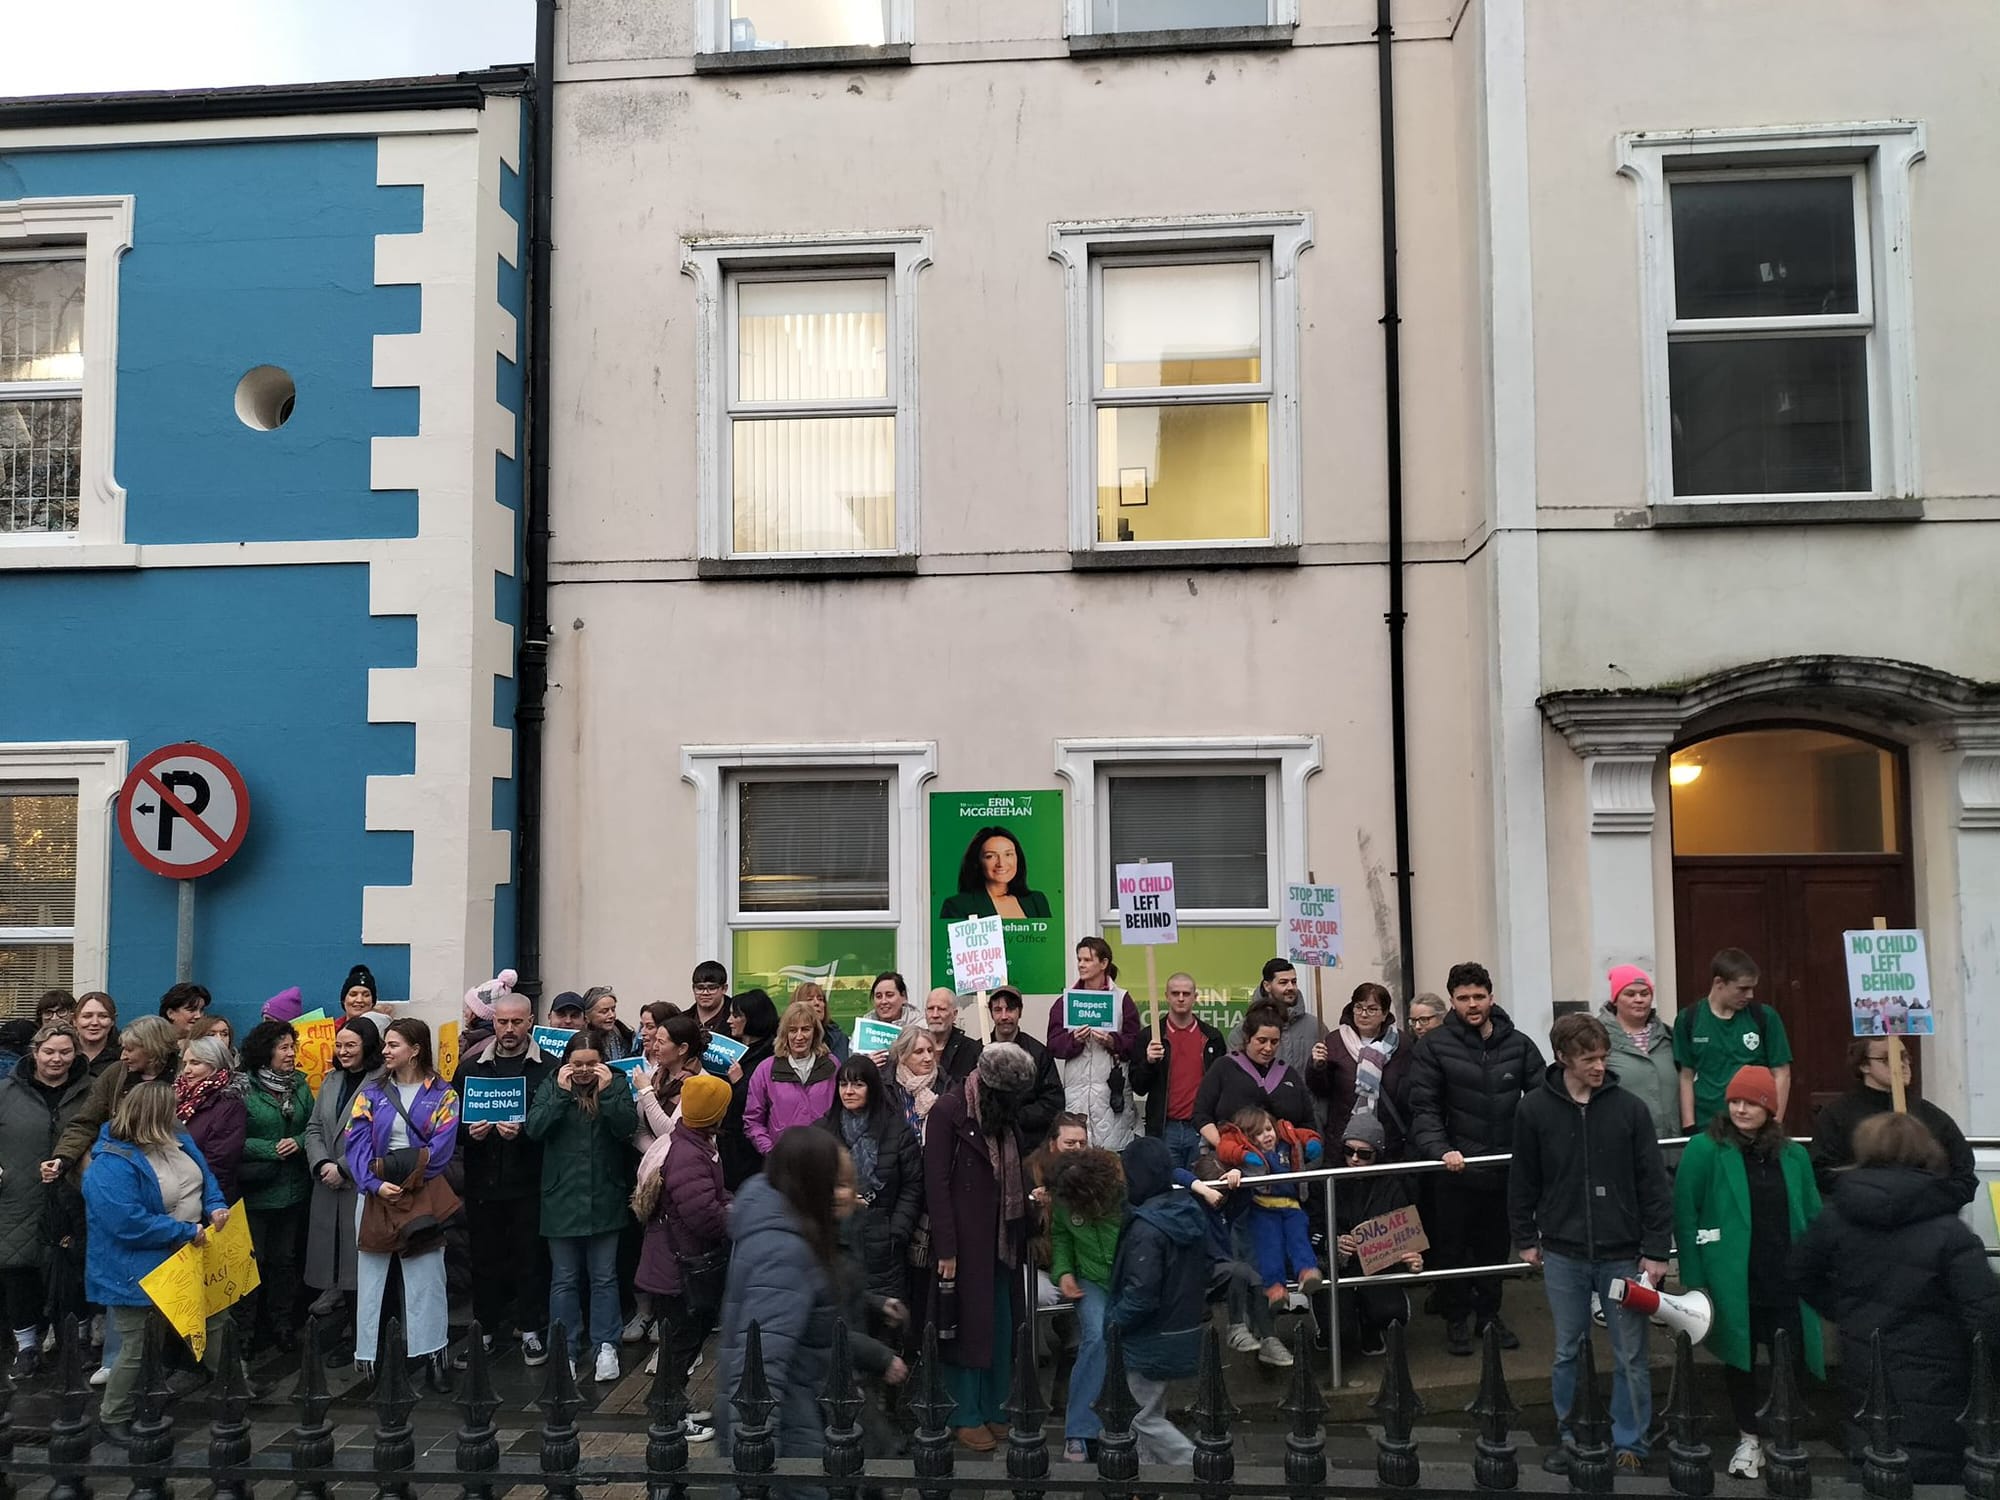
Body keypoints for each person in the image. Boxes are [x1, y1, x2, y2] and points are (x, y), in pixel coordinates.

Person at [1792, 1112, 2000, 1483]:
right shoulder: (1950, 1232)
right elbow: (1985, 1314)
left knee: (1875, 1465)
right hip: (1941, 1378)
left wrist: (1846, 1310)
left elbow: (1801, 1273)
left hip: (1866, 1370)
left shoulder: (1835, 1219)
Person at [1509, 1013, 1673, 1475]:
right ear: (1563, 1059)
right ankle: (1572, 1433)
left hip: (1622, 1250)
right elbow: (1523, 1178)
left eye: (1603, 1057)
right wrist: (1525, 1236)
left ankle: (1631, 1443)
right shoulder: (1534, 1110)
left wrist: (1657, 1249)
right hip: (1562, 1250)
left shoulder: (1630, 1110)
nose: (1599, 1067)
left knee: (1631, 1354)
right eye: (1588, 1059)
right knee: (1568, 1349)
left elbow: (1653, 1184)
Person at [1674, 1064, 1822, 1480]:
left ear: (1769, 1108)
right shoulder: (1706, 1149)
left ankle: (1783, 1437)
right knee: (1739, 1360)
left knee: (1789, 1359)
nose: (1740, 1109)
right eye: (1734, 1101)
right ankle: (1749, 1437)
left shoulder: (1792, 1155)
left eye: (1751, 1102)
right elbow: (1686, 1213)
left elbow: (1810, 1212)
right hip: (1732, 1277)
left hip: (1785, 1276)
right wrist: (1695, 1278)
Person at [82, 1081, 232, 1446]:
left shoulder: (176, 1138)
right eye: (172, 1110)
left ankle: (232, 1384)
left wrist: (215, 1204)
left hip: (188, 1255)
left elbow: (203, 1177)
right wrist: (182, 1230)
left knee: (215, 1321)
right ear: (153, 1117)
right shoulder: (111, 1163)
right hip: (136, 1268)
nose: (179, 1114)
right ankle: (113, 1415)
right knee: (136, 1346)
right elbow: (126, 1222)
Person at [1407, 961, 1544, 1356]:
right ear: (1451, 1001)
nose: (1472, 1004)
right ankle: (1456, 1318)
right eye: (1463, 998)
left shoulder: (1518, 1044)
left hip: (1503, 1168)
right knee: (1451, 1248)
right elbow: (1424, 1107)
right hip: (1454, 1168)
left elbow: (1540, 1098)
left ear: (1491, 997)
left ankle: (1489, 1316)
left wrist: (1534, 1148)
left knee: (1494, 1247)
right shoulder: (1433, 1046)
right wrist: (1440, 1149)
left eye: (1478, 996)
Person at [714, 1127, 845, 1490]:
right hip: (785, 1436)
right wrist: (755, 1458)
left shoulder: (769, 1216)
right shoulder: (784, 1253)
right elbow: (759, 1365)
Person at [925, 1041, 1037, 1451]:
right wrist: (947, 1250)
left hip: (1001, 1237)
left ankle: (996, 1405)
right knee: (966, 1328)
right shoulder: (947, 1111)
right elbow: (935, 1184)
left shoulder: (1001, 1116)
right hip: (965, 1239)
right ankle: (964, 1413)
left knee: (1001, 1324)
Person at [345, 1017, 460, 1390]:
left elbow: (440, 1152)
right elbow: (356, 1144)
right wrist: (374, 1184)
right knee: (373, 1277)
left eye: (393, 1045)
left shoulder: (443, 1094)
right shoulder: (370, 1094)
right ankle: (372, 1362)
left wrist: (405, 1182)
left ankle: (433, 1359)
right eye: (386, 1044)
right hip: (376, 1197)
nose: (385, 1051)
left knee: (427, 1278)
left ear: (416, 1049)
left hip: (420, 1194)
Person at [528, 1027, 639, 1383]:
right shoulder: (551, 1085)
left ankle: (606, 1345)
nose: (585, 1070)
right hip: (561, 1197)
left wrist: (606, 1095)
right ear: (566, 1063)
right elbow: (535, 1129)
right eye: (577, 1063)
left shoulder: (617, 1084)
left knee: (605, 1277)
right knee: (564, 1279)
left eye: (592, 1063)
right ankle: (565, 1349)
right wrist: (561, 1095)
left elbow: (626, 1127)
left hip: (604, 1195)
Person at [453, 991, 554, 1366]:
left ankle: (530, 1330)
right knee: (483, 1260)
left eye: (516, 1022)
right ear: (492, 1021)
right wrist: (469, 1134)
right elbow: (450, 1124)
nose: (508, 1029)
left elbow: (553, 1126)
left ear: (530, 1022)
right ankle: (485, 1330)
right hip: (482, 1182)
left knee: (530, 1258)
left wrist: (525, 1133)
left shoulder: (547, 1067)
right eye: (502, 1021)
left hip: (529, 1181)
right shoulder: (469, 1068)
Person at [638, 1070, 732, 1439]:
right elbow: (702, 1215)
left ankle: (671, 1403)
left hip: (678, 1263)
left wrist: (731, 1202)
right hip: (679, 1266)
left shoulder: (694, 1142)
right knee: (679, 1344)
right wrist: (735, 1217)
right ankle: (669, 1416)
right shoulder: (689, 1153)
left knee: (683, 1342)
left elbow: (712, 1195)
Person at [1105, 1136, 1206, 1468]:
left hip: (1149, 1337)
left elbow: (1141, 1295)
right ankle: (1147, 1482)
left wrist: (1113, 1324)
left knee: (1139, 1418)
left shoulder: (1147, 1229)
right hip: (1179, 1328)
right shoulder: (1184, 1210)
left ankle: (1200, 1465)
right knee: (1149, 1411)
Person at [0, 1022, 90, 1377]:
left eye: (65, 1052)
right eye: (49, 1051)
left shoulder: (90, 1091)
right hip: (17, 1194)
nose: (57, 1059)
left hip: (74, 1194)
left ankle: (77, 1342)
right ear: (34, 1052)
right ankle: (26, 1347)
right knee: (18, 1269)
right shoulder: (6, 1092)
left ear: (76, 1054)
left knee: (73, 1268)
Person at [1810, 1037, 1976, 1205]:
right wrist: (1865, 1195)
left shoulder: (1931, 1116)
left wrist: (1927, 1203)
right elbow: (1822, 1172)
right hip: (1859, 1218)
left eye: (1904, 1057)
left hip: (1923, 1221)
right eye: (1887, 1059)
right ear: (1864, 1065)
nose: (1902, 1064)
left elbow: (1964, 1175)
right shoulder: (1837, 1115)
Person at [304, 1013, 383, 1365]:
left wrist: (345, 1169)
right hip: (327, 1185)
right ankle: (341, 1337)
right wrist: (322, 1163)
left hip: (359, 1185)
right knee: (333, 1268)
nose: (343, 1051)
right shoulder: (332, 1080)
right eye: (339, 1045)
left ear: (368, 1046)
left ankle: (363, 1341)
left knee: (358, 1268)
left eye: (351, 1045)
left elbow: (381, 1136)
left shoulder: (382, 1082)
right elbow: (314, 1129)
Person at [817, 1055, 922, 1308]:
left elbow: (913, 1184)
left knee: (885, 1319)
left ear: (872, 1088)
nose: (849, 1091)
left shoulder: (897, 1131)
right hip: (836, 1239)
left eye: (858, 1084)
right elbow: (811, 1181)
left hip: (883, 1242)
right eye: (843, 1085)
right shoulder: (822, 1131)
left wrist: (895, 1231)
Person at [237, 1018, 314, 1355]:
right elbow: (230, 1139)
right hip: (257, 1192)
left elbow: (313, 1126)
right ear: (265, 1052)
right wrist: (269, 1149)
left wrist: (296, 1141)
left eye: (292, 1047)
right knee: (252, 1262)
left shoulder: (300, 1085)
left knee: (284, 1262)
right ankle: (245, 1334)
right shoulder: (243, 1088)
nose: (291, 1053)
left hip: (293, 1190)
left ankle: (282, 1326)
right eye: (283, 1047)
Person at [1044, 1144, 1124, 1461]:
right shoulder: (1065, 1196)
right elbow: (1061, 1237)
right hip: (1089, 1280)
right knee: (1096, 1337)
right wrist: (1063, 1272)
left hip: (1127, 1278)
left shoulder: (1120, 1193)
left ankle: (1124, 1424)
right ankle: (1079, 1431)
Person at [1214, 1105, 1324, 1324]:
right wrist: (1243, 1156)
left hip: (1291, 1205)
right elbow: (1224, 1147)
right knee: (1269, 1246)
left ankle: (1307, 1272)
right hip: (1263, 1207)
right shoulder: (1242, 1148)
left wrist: (1313, 1142)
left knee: (1299, 1239)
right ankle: (1275, 1288)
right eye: (1258, 1134)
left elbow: (1303, 1134)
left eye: (1268, 1129)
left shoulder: (1285, 1136)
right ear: (1247, 1138)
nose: (1266, 1135)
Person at [1326, 1113, 1420, 1358]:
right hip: (1337, 1268)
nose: (1354, 1159)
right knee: (1338, 1331)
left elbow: (1406, 1234)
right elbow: (1312, 1227)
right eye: (1349, 1151)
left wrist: (1413, 1259)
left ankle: (1372, 1324)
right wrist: (1332, 1243)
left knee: (1389, 1311)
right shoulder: (1326, 1180)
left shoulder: (1393, 1185)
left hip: (1377, 1268)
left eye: (1364, 1154)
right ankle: (1332, 1328)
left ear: (1377, 1155)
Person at [1674, 948, 1791, 1133]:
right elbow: (1686, 1076)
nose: (1750, 995)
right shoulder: (1689, 1018)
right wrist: (1689, 1125)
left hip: (1754, 1125)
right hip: (1708, 1123)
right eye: (1743, 989)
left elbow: (1782, 1073)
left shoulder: (1764, 1017)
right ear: (1719, 983)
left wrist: (1775, 1121)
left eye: (1752, 988)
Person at [52, 1014, 180, 1177]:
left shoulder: (183, 1075)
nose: (123, 1056)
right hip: (122, 1169)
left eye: (130, 1050)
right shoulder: (116, 1074)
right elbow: (86, 1121)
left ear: (152, 1049)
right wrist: (64, 1157)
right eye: (123, 1048)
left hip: (172, 1168)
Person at [1047, 938, 1143, 1151]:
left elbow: (1135, 1044)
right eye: (1079, 959)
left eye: (1087, 960)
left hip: (1111, 1096)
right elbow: (1053, 1045)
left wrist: (1112, 1041)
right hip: (1076, 1095)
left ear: (1104, 963)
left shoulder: (1122, 1000)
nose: (1081, 964)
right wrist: (1074, 1041)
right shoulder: (1065, 1001)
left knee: (1111, 1160)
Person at [1129, 972, 1226, 1169]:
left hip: (1201, 1128)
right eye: (1175, 993)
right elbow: (1138, 1086)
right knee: (1168, 1188)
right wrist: (1148, 1062)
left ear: (1195, 997)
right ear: (1166, 996)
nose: (1181, 998)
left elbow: (1223, 1087)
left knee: (1203, 1188)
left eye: (1186, 993)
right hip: (1165, 1128)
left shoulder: (1212, 1037)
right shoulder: (1150, 1036)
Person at [1307, 983, 1413, 1156]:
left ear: (1385, 1013)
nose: (1363, 1014)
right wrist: (1317, 1066)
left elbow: (1409, 1090)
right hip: (1345, 1137)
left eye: (1372, 1009)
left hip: (1389, 1138)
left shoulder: (1401, 1043)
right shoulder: (1335, 1041)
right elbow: (1320, 1089)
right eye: (1358, 1007)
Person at [1192, 1001, 1318, 1144]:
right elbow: (1201, 1114)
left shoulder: (1289, 1074)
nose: (1268, 1048)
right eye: (1262, 1041)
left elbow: (1307, 1121)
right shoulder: (1224, 1067)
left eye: (1274, 1042)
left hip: (1283, 1160)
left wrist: (1308, 1141)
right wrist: (1223, 1146)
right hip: (1234, 1158)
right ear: (1247, 1038)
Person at [745, 1000, 839, 1154]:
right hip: (784, 1162)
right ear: (784, 1033)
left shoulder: (832, 1065)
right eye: (793, 1030)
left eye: (806, 1029)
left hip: (824, 1157)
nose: (799, 1036)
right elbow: (752, 1120)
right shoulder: (766, 1069)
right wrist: (771, 1151)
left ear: (815, 1032)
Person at [1600, 966, 1678, 1140]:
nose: (1639, 999)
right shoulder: (1599, 1038)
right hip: (1623, 1141)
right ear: (1615, 999)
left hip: (1670, 1144)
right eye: (1630, 994)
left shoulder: (1669, 1036)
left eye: (1645, 994)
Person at [984, 987, 1065, 1150]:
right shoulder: (979, 1051)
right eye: (998, 1010)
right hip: (988, 1144)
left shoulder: (1039, 1053)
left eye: (1011, 1009)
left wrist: (1016, 1118)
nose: (1004, 1016)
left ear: (1020, 1012)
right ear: (991, 1013)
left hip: (1029, 1145)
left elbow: (1053, 1102)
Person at [175, 1033, 248, 1205]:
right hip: (178, 1195)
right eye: (185, 1063)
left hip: (205, 1199)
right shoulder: (179, 1097)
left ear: (215, 1065)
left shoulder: (229, 1105)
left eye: (195, 1063)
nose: (186, 1070)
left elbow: (221, 1165)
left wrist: (211, 1203)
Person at [720, 989, 778, 1190]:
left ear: (753, 1018)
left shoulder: (771, 1055)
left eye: (736, 1015)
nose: (729, 1020)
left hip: (752, 1149)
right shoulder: (733, 1049)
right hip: (728, 1142)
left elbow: (760, 1102)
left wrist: (739, 1082)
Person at [939, 824, 1052, 920]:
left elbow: (1050, 943)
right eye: (990, 856)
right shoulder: (957, 906)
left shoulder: (1037, 901)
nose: (1001, 863)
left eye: (1008, 854)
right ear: (977, 862)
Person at [1252, 958, 1325, 1082]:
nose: (1290, 987)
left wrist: (1318, 1066)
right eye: (1283, 982)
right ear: (1267, 986)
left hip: (1304, 1100)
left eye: (1294, 981)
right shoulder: (1248, 1027)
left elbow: (1327, 1078)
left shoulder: (1315, 1026)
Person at [888, 1026, 945, 1142]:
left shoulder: (946, 1083)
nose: (928, 1058)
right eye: (919, 1052)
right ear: (902, 1055)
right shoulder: (886, 1087)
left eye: (930, 1051)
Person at [923, 988, 983, 1086]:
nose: (935, 1015)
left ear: (954, 1014)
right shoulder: (912, 1047)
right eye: (930, 1009)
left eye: (942, 1009)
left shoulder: (973, 1051)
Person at [863, 971, 918, 1055]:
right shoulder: (866, 1025)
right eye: (878, 996)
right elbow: (853, 1058)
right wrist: (867, 1063)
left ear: (903, 996)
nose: (883, 1001)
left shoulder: (918, 1024)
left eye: (889, 995)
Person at [793, 981, 849, 1063]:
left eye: (820, 999)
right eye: (810, 999)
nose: (817, 1003)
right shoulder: (789, 1038)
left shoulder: (839, 1038)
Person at [582, 987, 634, 1060]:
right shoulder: (580, 1042)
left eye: (613, 1009)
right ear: (587, 1016)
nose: (612, 1015)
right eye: (604, 1011)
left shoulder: (625, 1035)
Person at [73, 993, 118, 1076]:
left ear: (113, 1020)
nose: (95, 1022)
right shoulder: (62, 1052)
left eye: (103, 1016)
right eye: (87, 1016)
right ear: (75, 1021)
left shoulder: (123, 1056)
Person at [689, 960, 734, 1037]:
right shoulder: (683, 1020)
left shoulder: (737, 1020)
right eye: (700, 988)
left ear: (724, 989)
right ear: (693, 988)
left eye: (712, 988)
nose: (705, 993)